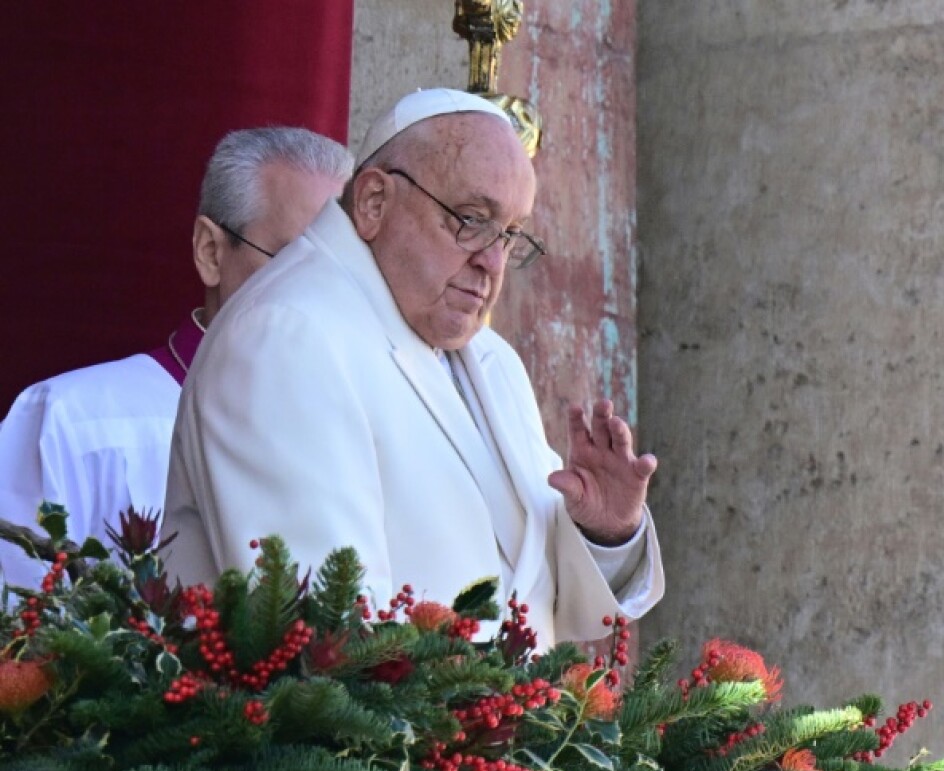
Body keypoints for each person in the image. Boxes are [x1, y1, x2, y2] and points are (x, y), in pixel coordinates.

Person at [163, 88, 664, 648]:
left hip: (499, 731)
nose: (492, 261)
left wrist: (605, 529)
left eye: (510, 234)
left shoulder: (491, 360)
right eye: (470, 220)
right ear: (374, 202)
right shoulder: (286, 333)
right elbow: (323, 639)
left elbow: (540, 601)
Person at [0, 127, 353, 589]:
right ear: (211, 251)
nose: (330, 296)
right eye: (295, 262)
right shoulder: (74, 425)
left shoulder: (363, 428)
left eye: (348, 270)